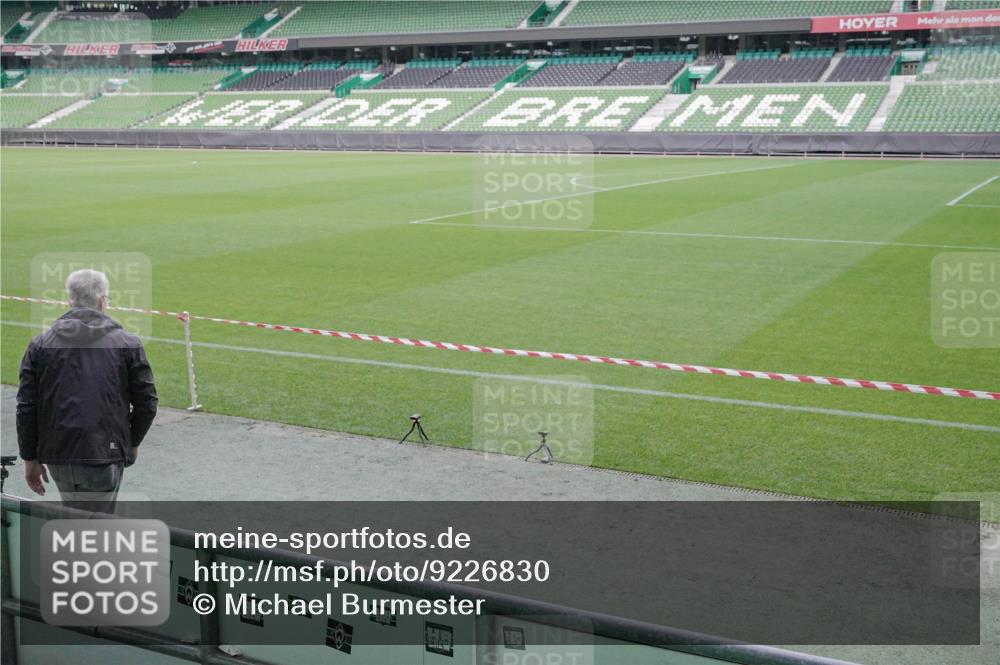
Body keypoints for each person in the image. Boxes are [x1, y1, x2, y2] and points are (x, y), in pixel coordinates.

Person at [16, 269, 157, 513]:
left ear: (69, 300)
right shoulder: (127, 343)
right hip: (104, 453)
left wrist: (30, 458)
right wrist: (132, 442)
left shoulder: (40, 344)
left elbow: (27, 406)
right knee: (93, 533)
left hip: (59, 454)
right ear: (103, 300)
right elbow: (147, 402)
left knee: (77, 525)